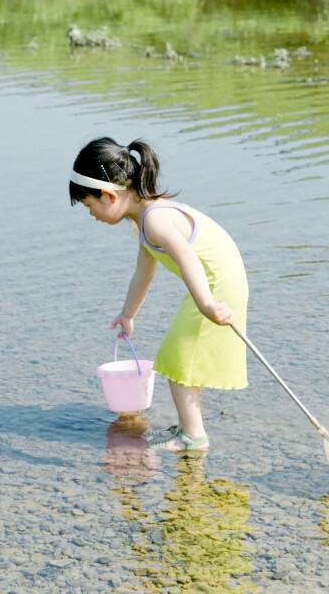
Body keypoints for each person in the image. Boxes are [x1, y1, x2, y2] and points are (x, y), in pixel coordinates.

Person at [70, 137, 249, 453]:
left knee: (178, 359)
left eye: (89, 205)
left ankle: (194, 437)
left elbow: (187, 257)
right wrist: (128, 314)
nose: (91, 214)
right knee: (181, 357)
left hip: (215, 286)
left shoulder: (155, 219)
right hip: (212, 283)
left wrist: (207, 304)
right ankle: (186, 428)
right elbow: (143, 272)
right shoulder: (145, 218)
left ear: (109, 195)